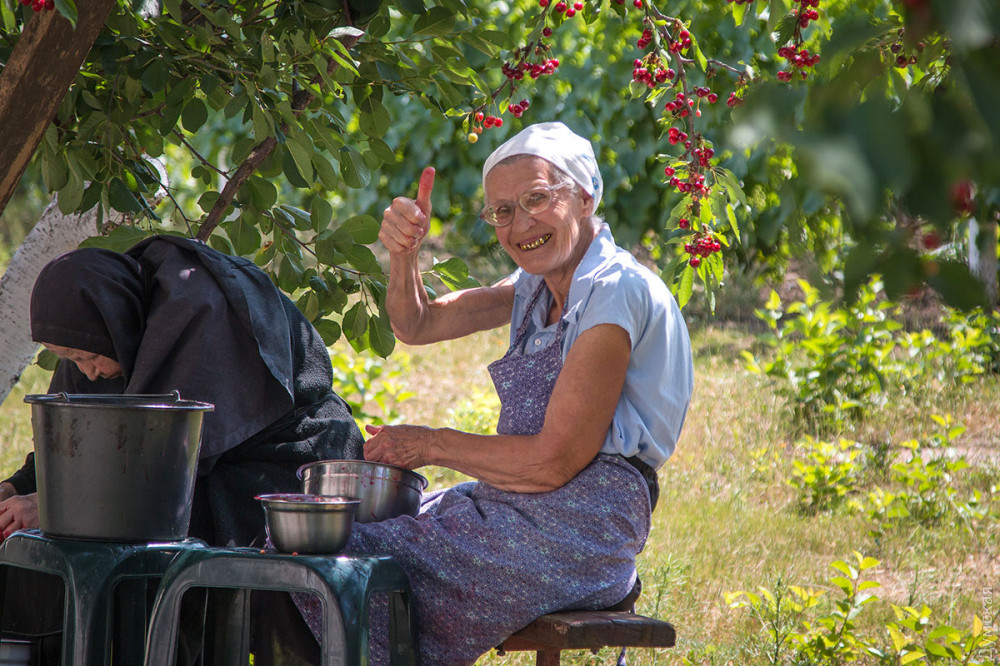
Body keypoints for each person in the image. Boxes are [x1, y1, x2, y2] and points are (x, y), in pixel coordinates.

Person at [295, 121, 695, 664]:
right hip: (521, 504)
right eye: (502, 211)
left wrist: (429, 445)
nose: (519, 224)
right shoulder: (533, 286)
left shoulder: (614, 292)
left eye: (536, 199)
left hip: (587, 522)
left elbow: (553, 463)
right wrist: (405, 255)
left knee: (353, 556)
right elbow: (417, 324)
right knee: (341, 531)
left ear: (584, 195)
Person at [0, 235, 365, 665]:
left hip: (279, 465)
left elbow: (167, 469)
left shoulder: (195, 315)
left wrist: (57, 505)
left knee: (145, 546)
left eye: (85, 356)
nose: (87, 374)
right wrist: (15, 487)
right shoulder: (104, 333)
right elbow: (77, 443)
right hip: (175, 471)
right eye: (70, 360)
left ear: (115, 323)